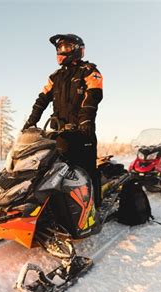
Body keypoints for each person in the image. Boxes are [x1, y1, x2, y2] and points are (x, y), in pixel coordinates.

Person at [22, 33, 103, 206]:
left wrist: (85, 120)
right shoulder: (55, 77)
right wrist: (31, 122)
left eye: (65, 47)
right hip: (59, 132)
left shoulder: (89, 71)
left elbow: (93, 97)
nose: (61, 51)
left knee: (86, 170)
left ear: (77, 49)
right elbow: (42, 99)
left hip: (82, 131)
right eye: (59, 48)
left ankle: (94, 206)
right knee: (48, 168)